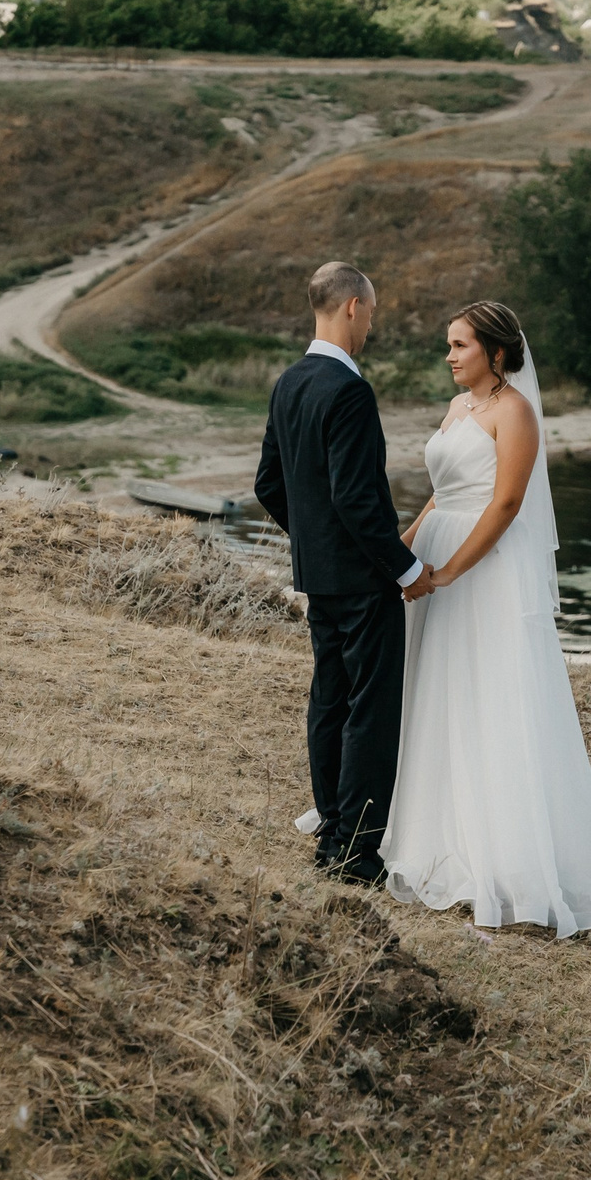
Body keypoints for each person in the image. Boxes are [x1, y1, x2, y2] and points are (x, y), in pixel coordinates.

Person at [378, 300, 591, 937]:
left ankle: (509, 863)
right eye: (449, 344)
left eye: (459, 346)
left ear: (495, 352)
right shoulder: (461, 407)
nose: (449, 356)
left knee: (493, 698)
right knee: (441, 695)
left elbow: (508, 501)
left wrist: (453, 571)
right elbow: (445, 490)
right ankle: (440, 839)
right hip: (439, 550)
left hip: (484, 569)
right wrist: (408, 545)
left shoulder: (515, 411)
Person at [255, 262, 435, 885]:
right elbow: (359, 500)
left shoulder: (289, 383)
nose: (372, 325)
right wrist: (406, 568)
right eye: (374, 312)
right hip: (362, 581)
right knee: (369, 710)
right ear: (353, 307)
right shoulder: (349, 390)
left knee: (329, 698)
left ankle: (333, 832)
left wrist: (314, 545)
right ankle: (355, 852)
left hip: (319, 577)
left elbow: (268, 486)